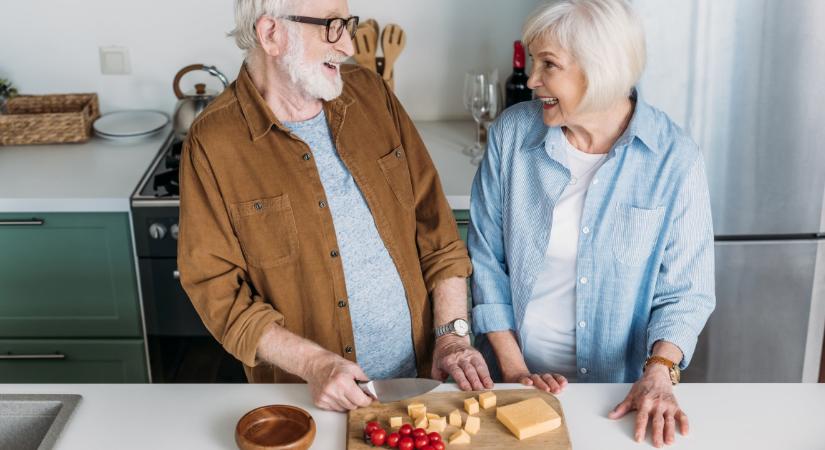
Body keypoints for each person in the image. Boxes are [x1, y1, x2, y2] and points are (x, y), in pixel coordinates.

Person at [178, 0, 492, 412]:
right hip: (308, 400)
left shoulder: (372, 94)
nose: (346, 46)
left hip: (420, 382)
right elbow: (216, 289)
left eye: (347, 25)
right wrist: (315, 364)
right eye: (330, 27)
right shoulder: (213, 142)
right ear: (271, 34)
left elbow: (435, 226)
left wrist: (451, 336)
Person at [468, 0, 715, 446]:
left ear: (599, 70)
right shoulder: (511, 136)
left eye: (549, 65)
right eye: (534, 60)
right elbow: (486, 260)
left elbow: (686, 294)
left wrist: (660, 372)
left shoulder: (674, 158)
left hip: (616, 397)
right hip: (512, 384)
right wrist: (516, 371)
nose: (531, 79)